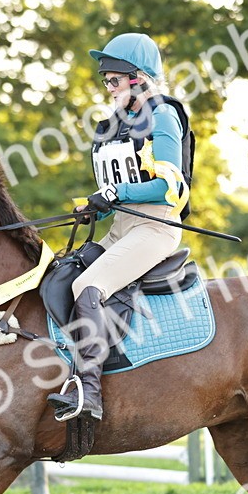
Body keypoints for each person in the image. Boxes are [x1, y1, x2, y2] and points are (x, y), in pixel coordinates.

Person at [46, 32, 190, 422]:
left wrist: (114, 192)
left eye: (113, 79)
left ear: (138, 78)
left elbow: (170, 187)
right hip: (122, 227)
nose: (108, 87)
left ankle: (88, 392)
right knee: (61, 273)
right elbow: (116, 194)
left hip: (155, 227)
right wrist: (95, 206)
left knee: (86, 286)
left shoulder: (162, 115)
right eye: (105, 80)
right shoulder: (113, 125)